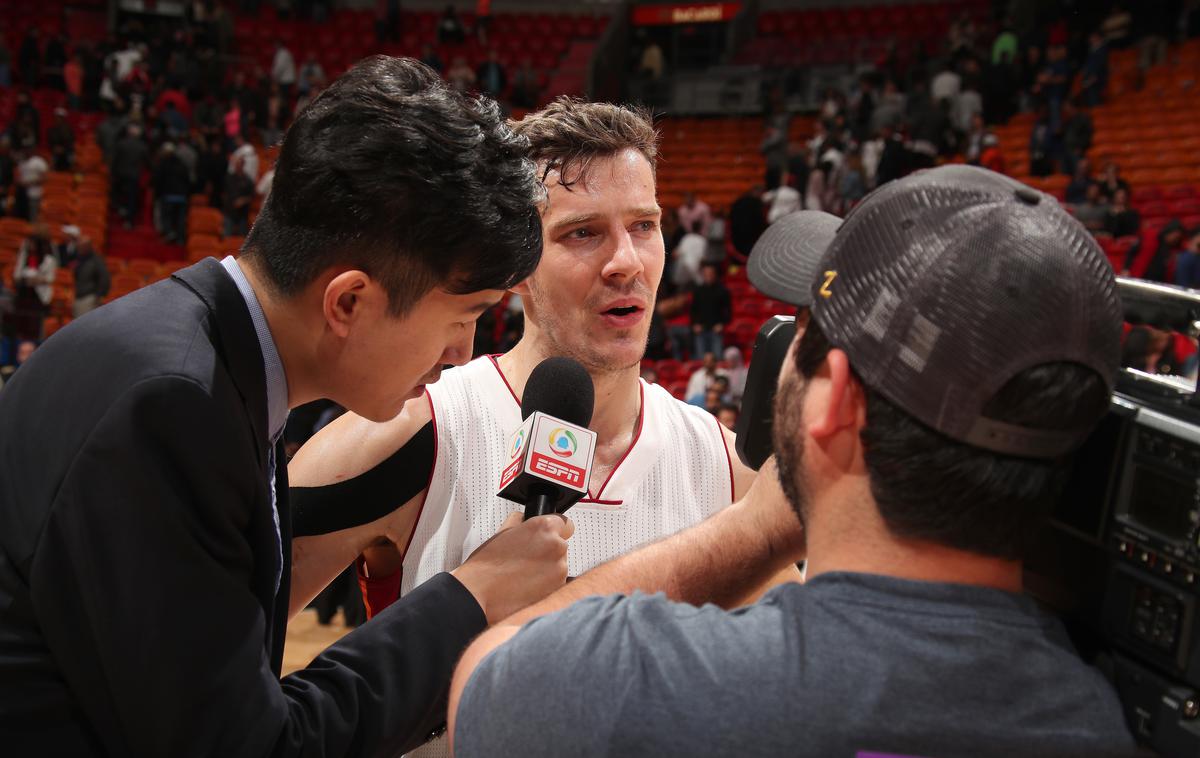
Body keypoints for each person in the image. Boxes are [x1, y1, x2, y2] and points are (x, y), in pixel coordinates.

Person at [448, 166, 1136, 757]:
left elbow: (488, 675)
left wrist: (757, 527)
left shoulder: (647, 681)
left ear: (834, 403)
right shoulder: (1106, 716)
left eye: (803, 333)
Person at [0, 56, 566, 757]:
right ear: (350, 302)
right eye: (466, 314)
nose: (462, 351)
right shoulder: (171, 410)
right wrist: (468, 599)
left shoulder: (195, 362)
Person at [285, 105, 779, 756]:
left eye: (644, 225)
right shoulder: (418, 432)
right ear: (514, 262)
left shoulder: (724, 465)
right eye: (583, 234)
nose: (626, 261)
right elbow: (208, 646)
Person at [10, 222, 57, 341]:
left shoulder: (48, 253)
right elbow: (18, 272)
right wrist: (23, 279)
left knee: (34, 326)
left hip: (38, 295)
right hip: (24, 292)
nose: (30, 245)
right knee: (21, 324)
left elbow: (50, 277)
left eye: (33, 243)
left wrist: (37, 280)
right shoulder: (25, 250)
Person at [690, 261, 731, 359]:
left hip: (715, 330)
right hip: (701, 329)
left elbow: (728, 311)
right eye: (706, 274)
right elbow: (693, 310)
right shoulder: (698, 291)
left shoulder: (723, 291)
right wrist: (695, 324)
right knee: (700, 359)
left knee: (717, 358)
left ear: (715, 274)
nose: (708, 276)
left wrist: (722, 324)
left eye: (710, 274)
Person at [71, 236, 109, 316]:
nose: (79, 249)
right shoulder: (80, 260)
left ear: (87, 247)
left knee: (85, 325)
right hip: (78, 296)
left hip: (89, 298)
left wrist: (99, 295)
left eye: (81, 247)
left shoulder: (96, 261)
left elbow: (104, 278)